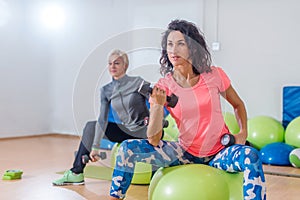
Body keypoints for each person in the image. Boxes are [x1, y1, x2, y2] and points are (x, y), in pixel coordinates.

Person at [109, 20, 266, 200]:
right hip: (184, 153)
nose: (173, 50)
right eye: (169, 45)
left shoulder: (214, 75)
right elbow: (153, 139)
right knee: (127, 149)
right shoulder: (164, 86)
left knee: (251, 156)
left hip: (219, 151)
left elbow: (238, 104)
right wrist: (158, 105)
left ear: (192, 47)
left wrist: (242, 133)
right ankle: (115, 197)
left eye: (180, 43)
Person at [52, 49, 160, 186]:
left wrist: (157, 120)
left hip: (144, 130)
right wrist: (95, 147)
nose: (112, 67)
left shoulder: (137, 82)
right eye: (110, 64)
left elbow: (157, 97)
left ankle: (155, 174)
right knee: (91, 126)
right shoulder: (106, 90)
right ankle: (76, 172)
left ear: (125, 66)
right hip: (125, 131)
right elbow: (102, 119)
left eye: (117, 63)